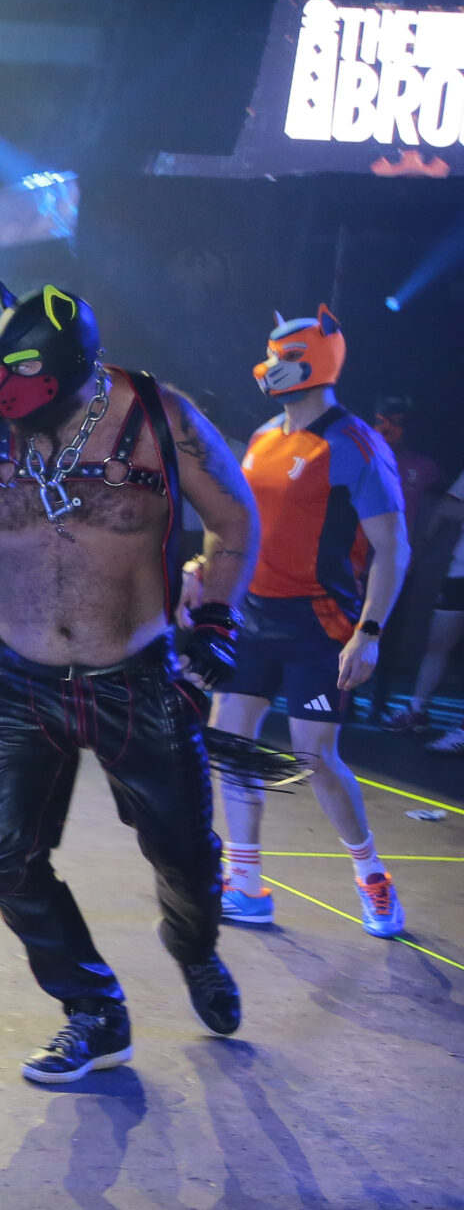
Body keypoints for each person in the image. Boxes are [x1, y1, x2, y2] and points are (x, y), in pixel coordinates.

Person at [0, 281, 257, 1084]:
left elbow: (235, 517)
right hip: (18, 677)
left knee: (186, 855)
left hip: (136, 678)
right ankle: (94, 1010)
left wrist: (218, 618)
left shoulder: (160, 417)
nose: (4, 389)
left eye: (25, 374)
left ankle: (194, 947)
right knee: (2, 856)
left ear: (75, 368)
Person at [209, 307, 411, 937]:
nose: (271, 367)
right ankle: (245, 885)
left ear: (316, 360)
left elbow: (394, 548)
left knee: (315, 757)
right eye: (270, 355)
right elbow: (247, 527)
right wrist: (207, 575)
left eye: (284, 357)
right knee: (229, 744)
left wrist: (368, 632)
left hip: (318, 624)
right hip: (252, 617)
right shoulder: (264, 437)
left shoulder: (356, 445)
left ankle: (371, 874)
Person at [388, 466, 464, 752]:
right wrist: (421, 545)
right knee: (438, 642)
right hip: (460, 571)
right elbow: (447, 508)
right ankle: (416, 710)